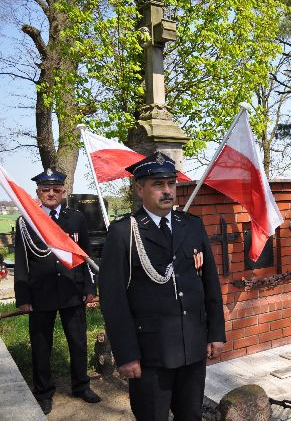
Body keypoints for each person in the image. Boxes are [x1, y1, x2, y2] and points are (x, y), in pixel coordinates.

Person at [98, 151, 226, 421]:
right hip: (150, 354)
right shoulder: (124, 233)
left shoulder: (191, 225)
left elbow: (209, 283)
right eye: (158, 184)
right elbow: (113, 300)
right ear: (139, 188)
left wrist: (215, 332)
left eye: (171, 183)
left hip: (192, 345)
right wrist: (127, 354)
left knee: (190, 415)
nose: (167, 191)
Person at [13, 169, 100, 414]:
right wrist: (23, 297)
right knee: (41, 347)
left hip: (72, 291)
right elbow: (21, 261)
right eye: (45, 189)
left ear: (63, 191)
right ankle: (44, 392)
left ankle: (81, 386)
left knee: (78, 343)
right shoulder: (27, 221)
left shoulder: (76, 218)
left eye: (56, 189)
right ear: (38, 192)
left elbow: (85, 255)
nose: (51, 193)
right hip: (40, 294)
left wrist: (89, 287)